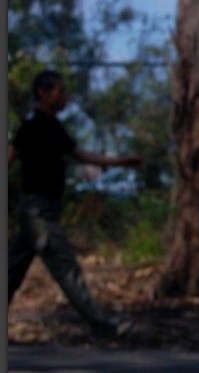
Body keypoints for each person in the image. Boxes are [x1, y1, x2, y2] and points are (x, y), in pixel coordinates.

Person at [8, 69, 143, 336]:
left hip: (37, 210)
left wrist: (121, 162)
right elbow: (10, 156)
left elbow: (80, 155)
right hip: (39, 212)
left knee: (11, 271)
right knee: (66, 269)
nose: (64, 96)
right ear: (42, 93)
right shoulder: (34, 125)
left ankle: (102, 325)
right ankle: (103, 327)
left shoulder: (51, 125)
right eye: (59, 90)